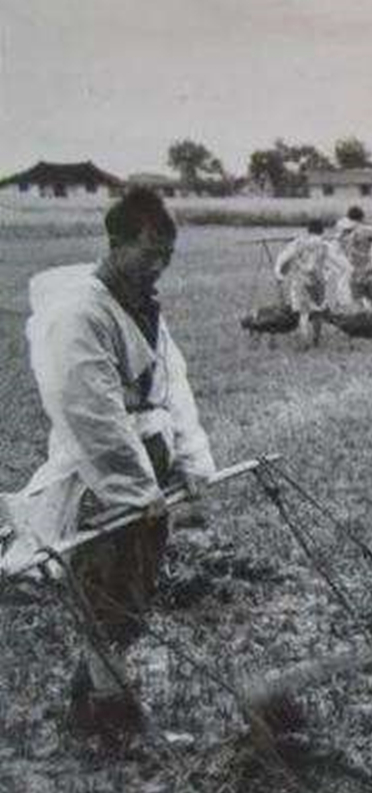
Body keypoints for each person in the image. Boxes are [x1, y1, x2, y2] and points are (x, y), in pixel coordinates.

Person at [0, 188, 215, 741]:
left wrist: (191, 458)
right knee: (109, 590)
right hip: (101, 473)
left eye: (167, 255)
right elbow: (90, 412)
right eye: (149, 253)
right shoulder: (79, 313)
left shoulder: (142, 305)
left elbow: (174, 383)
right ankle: (108, 716)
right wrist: (132, 490)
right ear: (116, 243)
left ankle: (92, 703)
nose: (159, 266)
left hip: (150, 458)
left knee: (132, 589)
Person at [274, 219, 348, 347]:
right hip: (317, 284)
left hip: (300, 283)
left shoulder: (297, 243)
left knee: (304, 314)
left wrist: (278, 273)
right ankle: (316, 340)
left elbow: (283, 258)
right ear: (321, 231)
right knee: (318, 313)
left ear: (308, 230)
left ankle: (304, 341)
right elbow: (341, 263)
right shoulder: (324, 245)